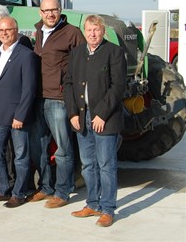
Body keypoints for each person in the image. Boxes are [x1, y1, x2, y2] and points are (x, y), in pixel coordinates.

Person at [64, 15, 126, 227]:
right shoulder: (78, 53)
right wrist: (72, 113)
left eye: (96, 30)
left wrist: (102, 114)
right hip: (81, 117)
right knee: (88, 165)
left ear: (103, 31)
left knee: (106, 165)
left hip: (104, 119)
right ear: (84, 31)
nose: (92, 34)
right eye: (89, 30)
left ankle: (108, 208)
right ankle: (92, 204)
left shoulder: (114, 53)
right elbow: (69, 83)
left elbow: (118, 87)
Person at [28, 0, 86, 208]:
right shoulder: (39, 32)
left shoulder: (72, 34)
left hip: (59, 99)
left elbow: (81, 66)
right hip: (38, 98)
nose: (50, 14)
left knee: (63, 149)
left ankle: (63, 192)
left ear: (60, 10)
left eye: (54, 10)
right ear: (40, 13)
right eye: (46, 11)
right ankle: (45, 187)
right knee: (39, 147)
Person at [0, 17, 37, 208]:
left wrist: (20, 115)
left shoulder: (26, 55)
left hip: (17, 117)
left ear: (16, 30)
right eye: (0, 30)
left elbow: (29, 89)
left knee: (21, 156)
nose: (4, 33)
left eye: (8, 30)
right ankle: (2, 189)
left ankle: (19, 193)